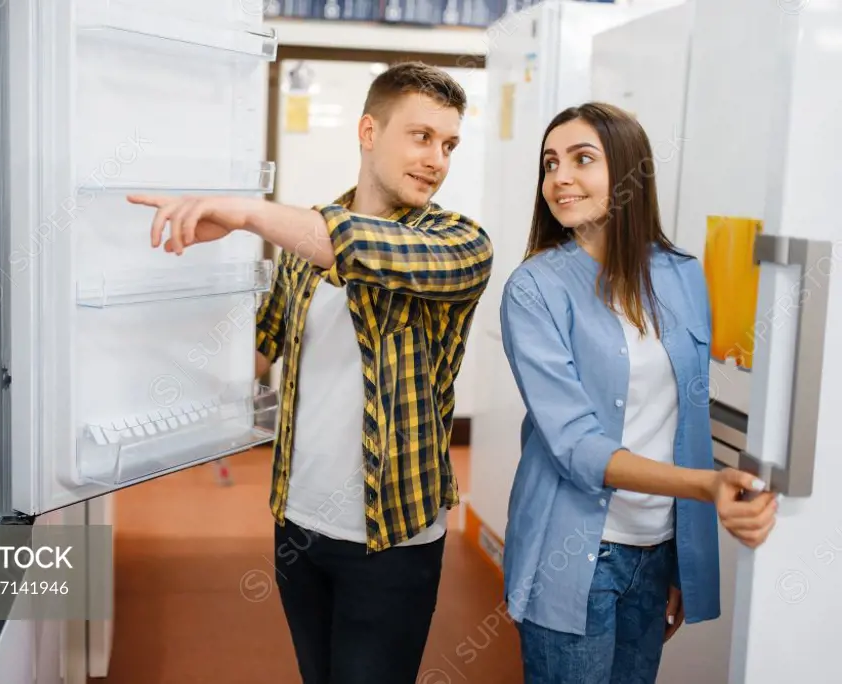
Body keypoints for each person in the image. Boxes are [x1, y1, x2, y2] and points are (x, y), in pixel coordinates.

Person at [127, 61, 494, 684]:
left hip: (391, 538)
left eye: (449, 144)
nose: (437, 159)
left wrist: (243, 212)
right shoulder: (303, 247)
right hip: (299, 526)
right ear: (368, 131)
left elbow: (355, 246)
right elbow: (259, 353)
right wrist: (137, 362)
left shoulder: (460, 245)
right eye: (421, 136)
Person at [498, 102, 778, 683]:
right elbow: (576, 445)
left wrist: (678, 559)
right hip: (574, 552)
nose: (560, 178)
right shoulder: (534, 289)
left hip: (655, 551)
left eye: (582, 159)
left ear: (629, 173)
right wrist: (707, 487)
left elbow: (688, 421)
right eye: (551, 163)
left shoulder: (681, 275)